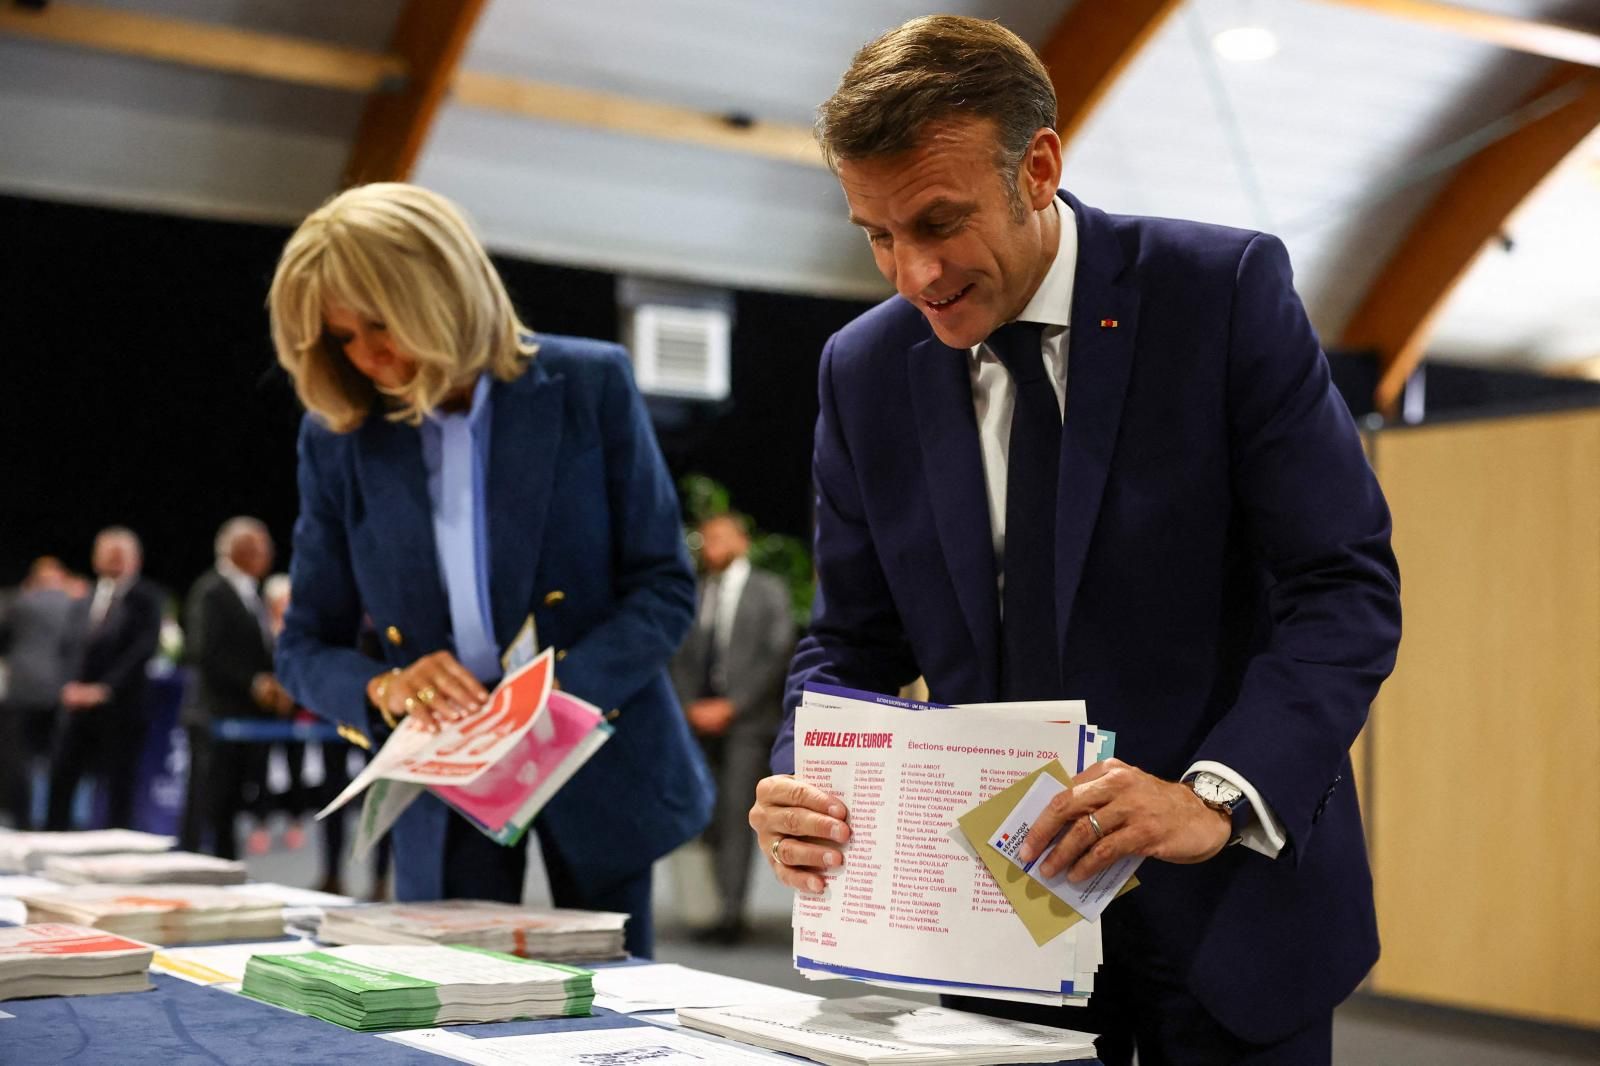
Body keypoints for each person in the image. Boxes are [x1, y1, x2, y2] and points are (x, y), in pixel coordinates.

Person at [748, 16, 1401, 1065]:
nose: (912, 274)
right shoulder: (862, 370)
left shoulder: (1218, 294)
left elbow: (1341, 585)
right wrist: (802, 775)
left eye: (937, 221)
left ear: (1038, 165)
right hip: (997, 933)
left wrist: (1213, 799)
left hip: (1227, 913)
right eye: (875, 232)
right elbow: (852, 639)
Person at [269, 182, 713, 958]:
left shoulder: (590, 383)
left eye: (380, 322)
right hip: (444, 787)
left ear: (445, 287)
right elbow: (304, 645)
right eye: (341, 336)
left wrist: (548, 703)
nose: (367, 355)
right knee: (453, 1013)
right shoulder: (338, 439)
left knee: (621, 1014)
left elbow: (664, 586)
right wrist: (387, 687)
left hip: (597, 755)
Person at [669, 513, 795, 943]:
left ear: (741, 541)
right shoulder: (696, 591)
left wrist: (733, 705)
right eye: (707, 539)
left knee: (739, 813)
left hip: (747, 722)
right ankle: (706, 906)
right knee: (705, 817)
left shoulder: (768, 590)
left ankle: (730, 914)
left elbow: (778, 653)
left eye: (720, 537)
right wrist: (690, 707)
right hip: (697, 723)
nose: (711, 546)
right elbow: (678, 655)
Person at [179, 517, 290, 859]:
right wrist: (255, 682)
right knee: (207, 802)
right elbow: (204, 651)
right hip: (214, 715)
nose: (268, 553)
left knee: (228, 806)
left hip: (240, 717)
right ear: (239, 550)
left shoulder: (250, 593)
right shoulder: (211, 590)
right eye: (261, 546)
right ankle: (194, 871)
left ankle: (224, 871)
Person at [47, 527, 165, 830]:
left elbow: (142, 649)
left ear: (135, 560)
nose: (113, 561)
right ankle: (53, 845)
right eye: (107, 554)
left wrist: (104, 689)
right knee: (61, 781)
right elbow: (67, 647)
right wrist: (68, 686)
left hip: (120, 709)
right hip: (75, 707)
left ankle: (117, 857)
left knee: (118, 789)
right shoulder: (84, 598)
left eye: (120, 555)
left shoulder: (147, 598)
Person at [0, 557, 82, 828]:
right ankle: (54, 823)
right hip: (59, 689)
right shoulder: (75, 603)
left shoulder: (19, 601)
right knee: (55, 761)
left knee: (18, 760)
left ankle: (22, 821)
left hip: (22, 689)